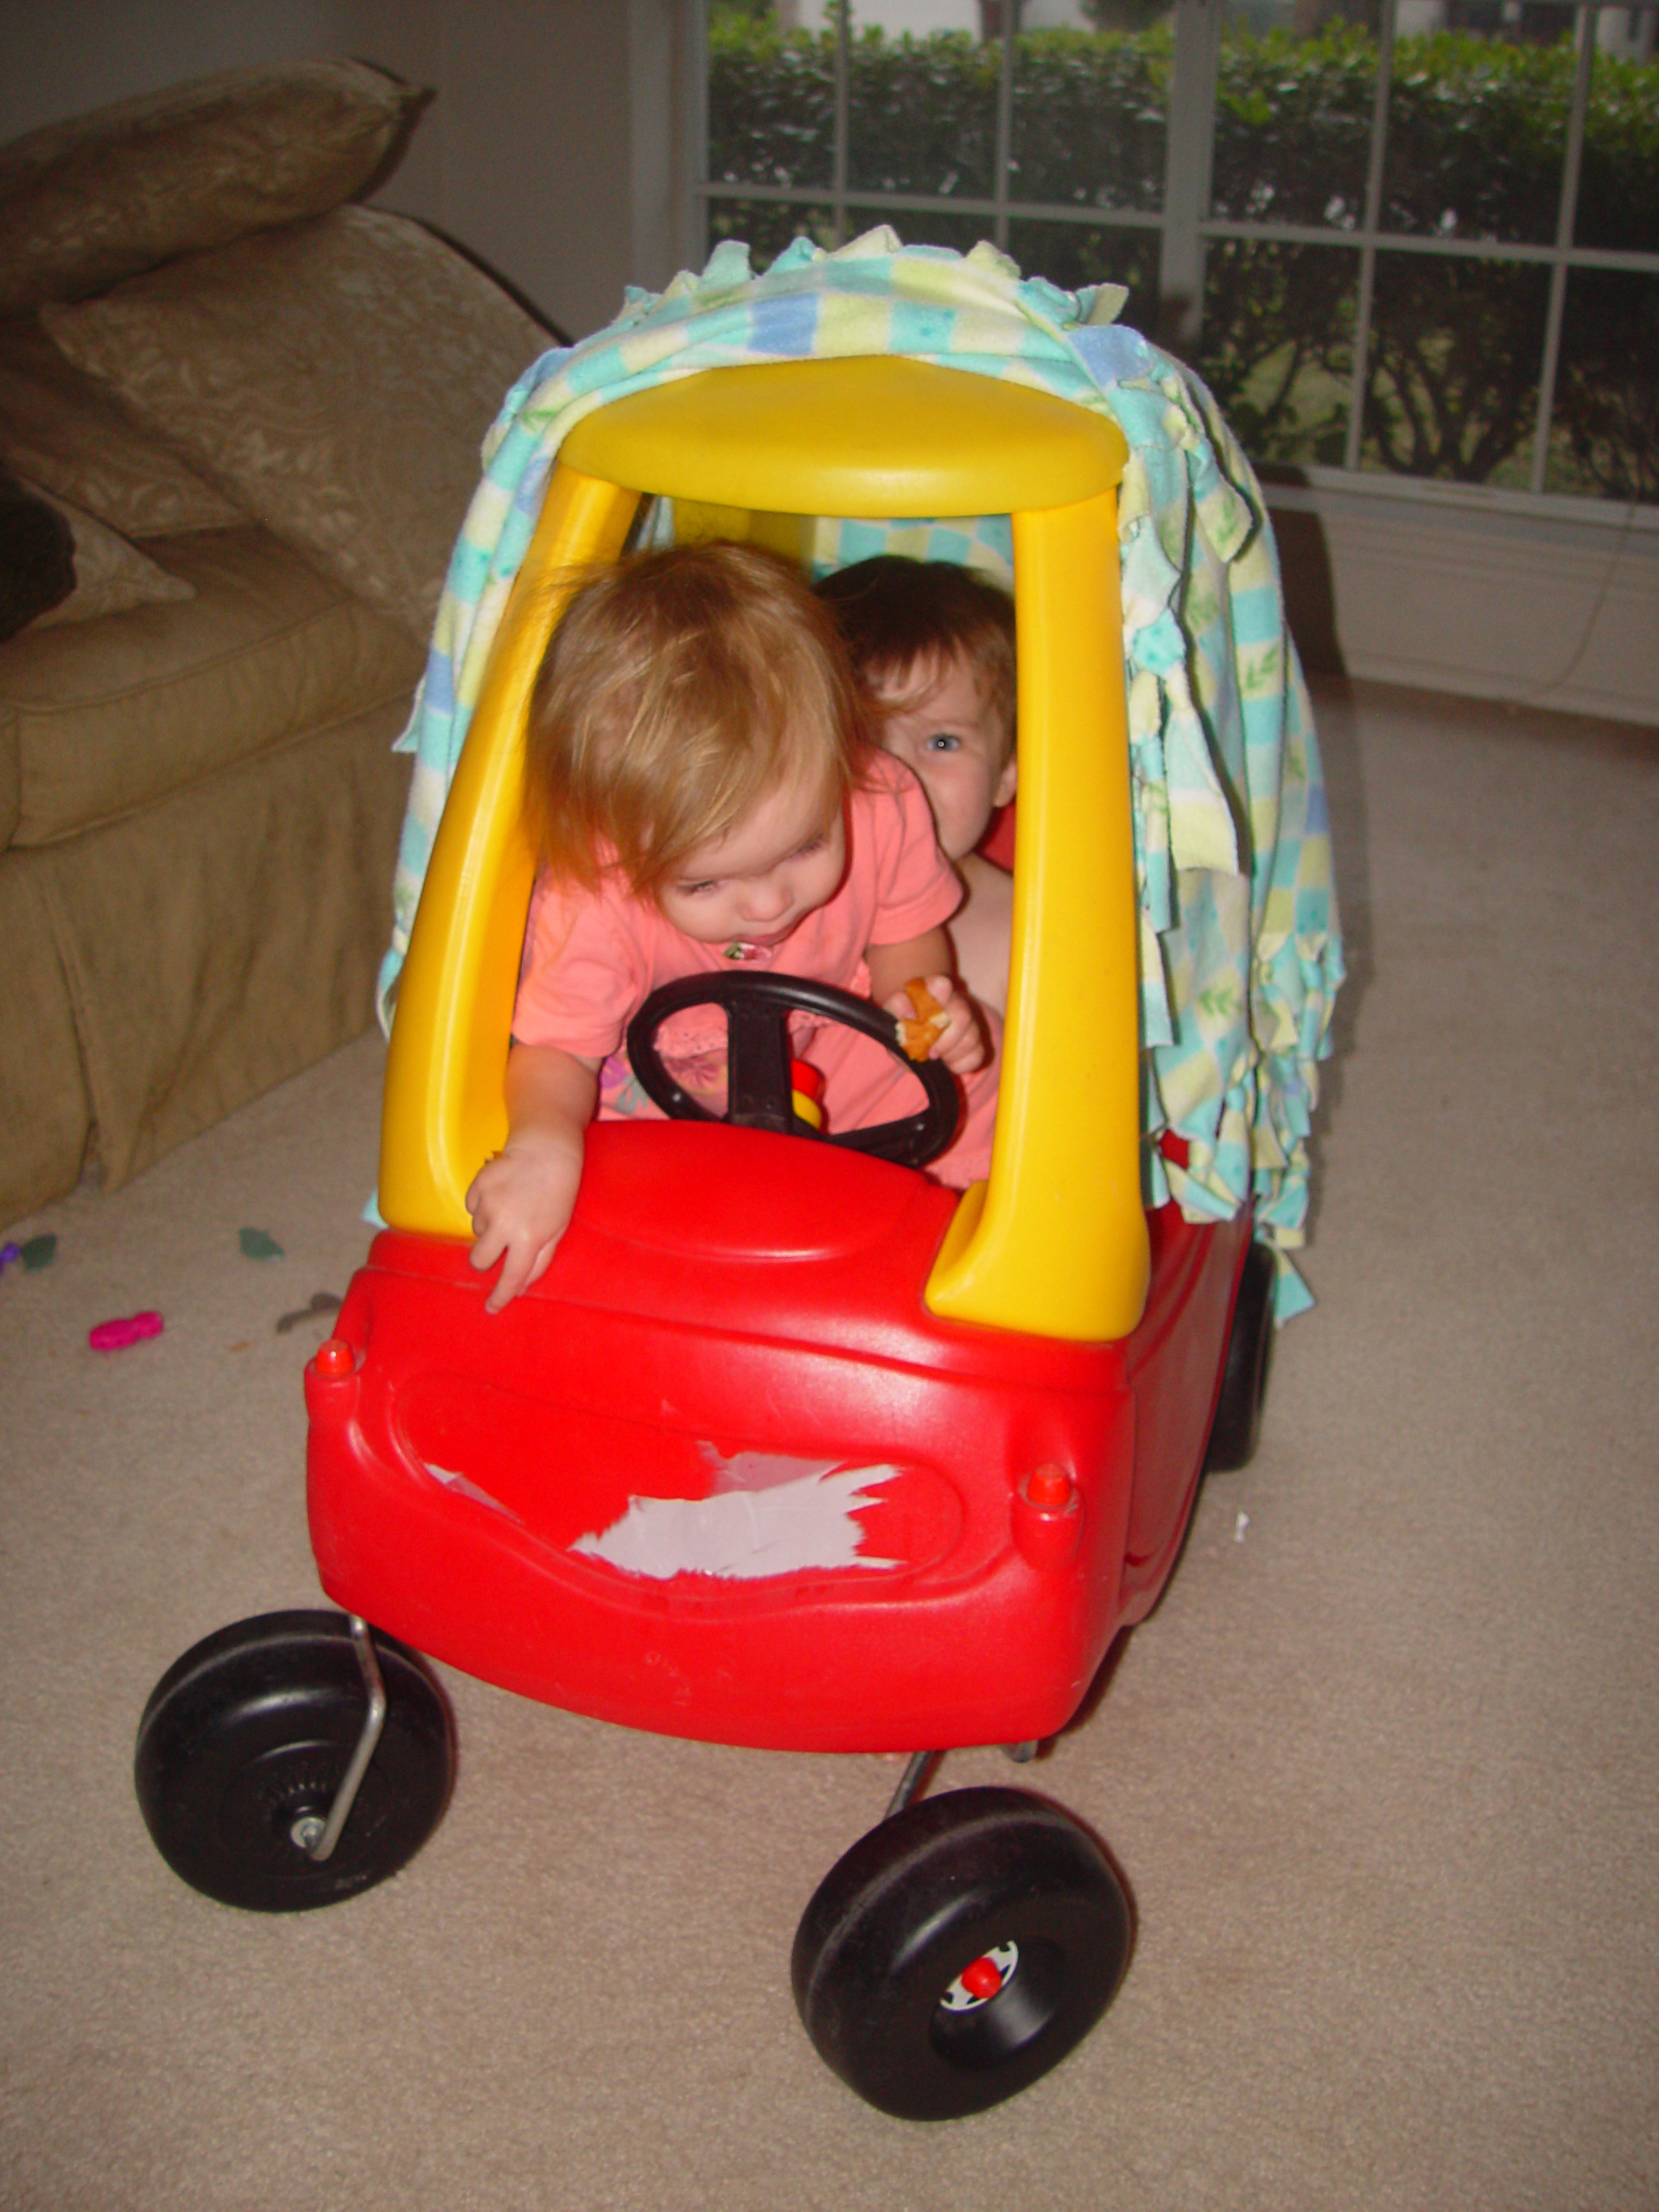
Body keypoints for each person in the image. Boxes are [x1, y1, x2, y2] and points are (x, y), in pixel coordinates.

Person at [466, 538, 997, 1311]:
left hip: (834, 1049)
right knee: (562, 1182)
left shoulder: (881, 796)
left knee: (983, 1065)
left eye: (807, 845)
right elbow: (556, 1051)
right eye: (706, 881)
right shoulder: (597, 891)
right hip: (659, 1098)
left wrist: (920, 1003)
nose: (767, 905)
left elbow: (902, 938)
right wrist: (543, 1141)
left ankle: (953, 1264)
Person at [816, 555, 1017, 1016]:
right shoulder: (767, 908)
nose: (898, 777)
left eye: (941, 741)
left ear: (1006, 773)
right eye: (860, 741)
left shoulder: (1026, 932)